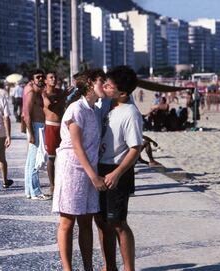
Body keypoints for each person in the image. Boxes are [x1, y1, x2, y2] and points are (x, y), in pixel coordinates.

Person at [52, 70, 107, 270]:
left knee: (86, 221)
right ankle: (68, 269)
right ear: (91, 83)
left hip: (88, 169)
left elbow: (89, 142)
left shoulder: (93, 109)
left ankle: (88, 267)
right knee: (67, 221)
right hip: (72, 170)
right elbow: (76, 146)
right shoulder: (76, 109)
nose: (105, 84)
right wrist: (95, 177)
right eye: (102, 81)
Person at [95, 66, 143, 271]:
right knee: (102, 221)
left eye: (109, 85)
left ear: (122, 92)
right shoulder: (106, 104)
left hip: (118, 170)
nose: (104, 86)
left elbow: (135, 148)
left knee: (118, 222)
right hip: (100, 167)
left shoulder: (130, 113)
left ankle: (128, 267)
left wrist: (117, 173)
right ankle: (109, 266)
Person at [42, 72, 70, 196]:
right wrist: (64, 95)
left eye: (55, 77)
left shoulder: (60, 92)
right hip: (51, 126)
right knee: (51, 157)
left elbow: (66, 104)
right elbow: (51, 107)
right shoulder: (44, 93)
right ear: (46, 81)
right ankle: (52, 185)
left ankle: (62, 182)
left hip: (62, 126)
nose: (54, 79)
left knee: (64, 155)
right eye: (51, 78)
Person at [23, 69, 49, 200]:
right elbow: (26, 115)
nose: (40, 79)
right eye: (37, 77)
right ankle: (36, 192)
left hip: (37, 126)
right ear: (32, 80)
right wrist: (32, 134)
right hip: (35, 127)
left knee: (30, 162)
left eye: (42, 77)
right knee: (35, 162)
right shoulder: (31, 93)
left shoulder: (37, 92)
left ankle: (29, 191)